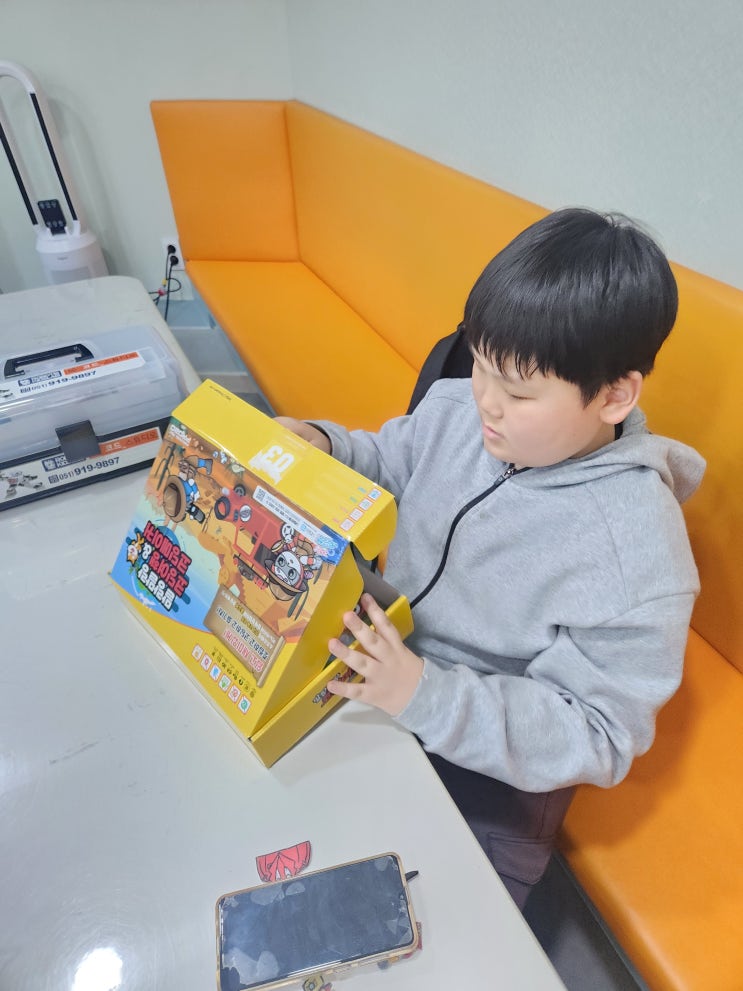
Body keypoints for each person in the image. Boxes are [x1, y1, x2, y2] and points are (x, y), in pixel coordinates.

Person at [276, 208, 705, 908]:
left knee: (424, 924)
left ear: (613, 396)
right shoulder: (457, 409)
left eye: (518, 391)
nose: (485, 403)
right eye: (479, 364)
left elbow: (597, 732)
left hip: (498, 781)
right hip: (379, 674)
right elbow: (388, 460)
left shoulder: (635, 553)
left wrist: (423, 693)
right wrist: (325, 447)